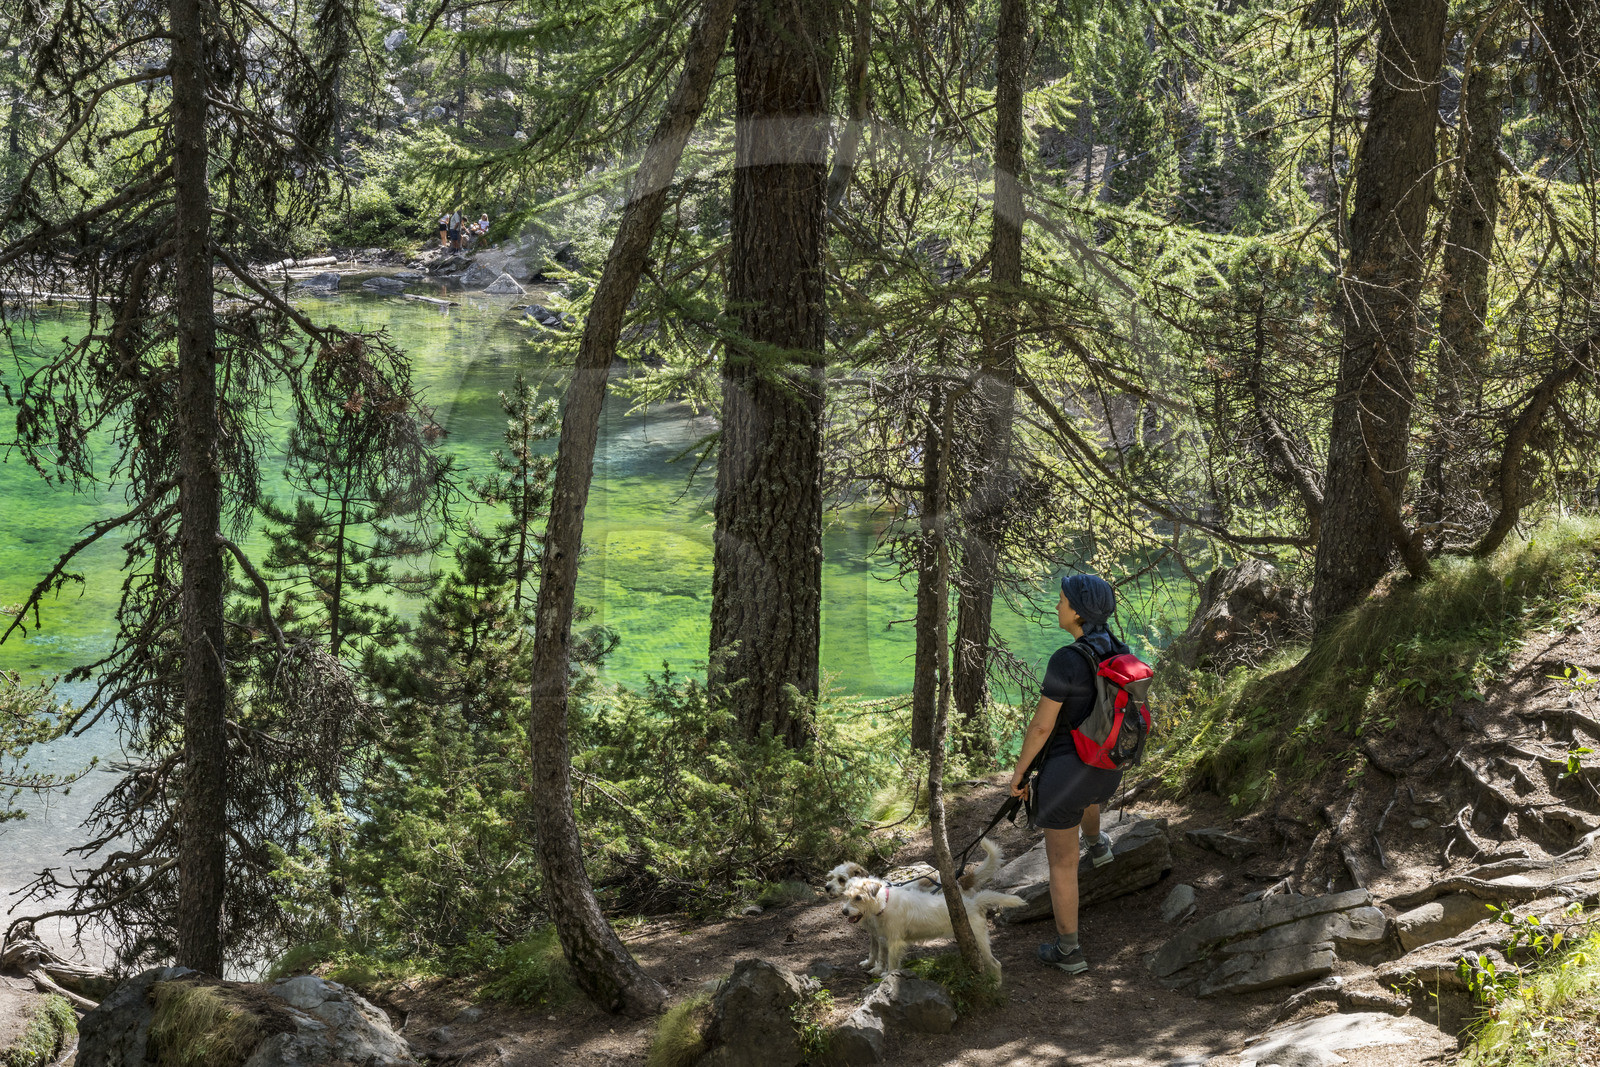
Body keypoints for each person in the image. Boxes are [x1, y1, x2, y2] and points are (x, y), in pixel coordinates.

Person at [1008, 572, 1131, 975]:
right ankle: (1098, 847)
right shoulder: (1120, 649)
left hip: (1066, 777)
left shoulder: (1066, 658)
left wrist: (1020, 775)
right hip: (1108, 769)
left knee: (1061, 864)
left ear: (1077, 611)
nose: (1057, 606)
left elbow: (1041, 727)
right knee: (1088, 794)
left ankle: (1069, 951)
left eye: (1062, 600)